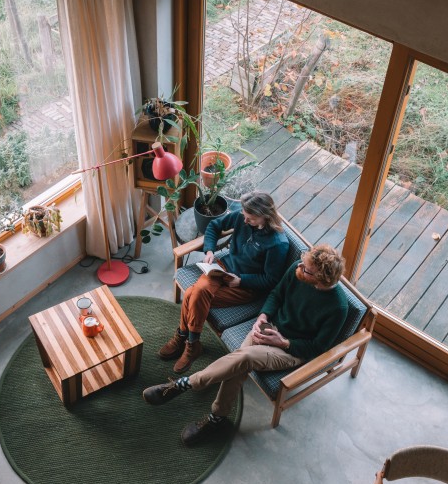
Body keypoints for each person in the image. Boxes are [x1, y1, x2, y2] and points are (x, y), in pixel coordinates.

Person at [143, 244, 349, 446]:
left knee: (245, 357)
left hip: (292, 349)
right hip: (270, 327)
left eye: (306, 270)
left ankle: (184, 384)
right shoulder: (299, 268)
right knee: (240, 360)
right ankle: (217, 418)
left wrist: (283, 342)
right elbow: (276, 294)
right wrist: (263, 316)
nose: (299, 268)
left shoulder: (338, 307)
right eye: (303, 263)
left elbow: (317, 348)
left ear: (320, 279)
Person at [158, 191, 289, 374]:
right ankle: (191, 343)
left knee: (191, 294)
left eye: (250, 218)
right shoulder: (242, 216)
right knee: (198, 292)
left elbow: (271, 280)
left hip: (245, 286)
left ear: (264, 216)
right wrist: (210, 250)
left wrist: (242, 281)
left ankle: (185, 338)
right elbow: (214, 226)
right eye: (244, 216)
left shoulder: (277, 244)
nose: (244, 221)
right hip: (222, 267)